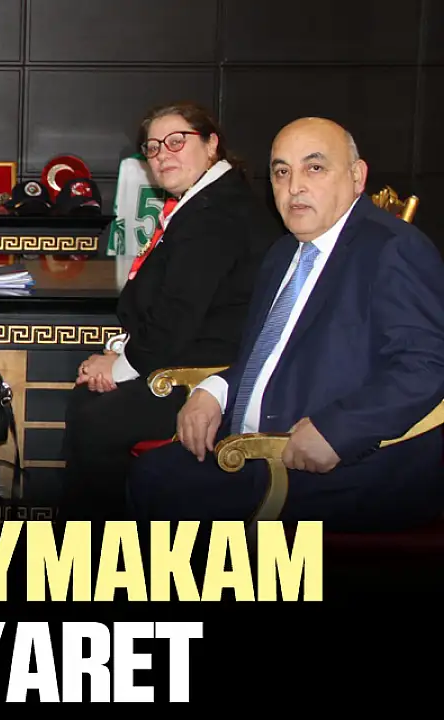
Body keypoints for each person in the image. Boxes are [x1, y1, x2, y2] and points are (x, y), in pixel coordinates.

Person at [127, 117, 444, 531]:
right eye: (281, 172)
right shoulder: (282, 254)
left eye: (315, 168)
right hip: (254, 446)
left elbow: (427, 365)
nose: (294, 187)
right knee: (150, 474)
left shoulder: (392, 249)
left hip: (350, 464)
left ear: (357, 176)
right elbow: (267, 357)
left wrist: (337, 430)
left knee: (161, 486)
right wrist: (214, 390)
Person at [59, 102, 282, 521]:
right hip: (184, 356)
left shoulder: (215, 212)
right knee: (89, 402)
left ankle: (99, 549)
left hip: (213, 377)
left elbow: (178, 314)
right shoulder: (202, 202)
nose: (163, 154)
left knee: (95, 416)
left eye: (177, 141)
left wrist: (119, 368)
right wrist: (119, 354)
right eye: (153, 147)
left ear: (211, 144)